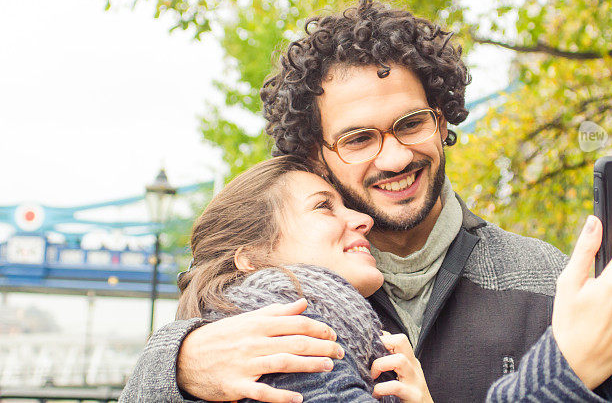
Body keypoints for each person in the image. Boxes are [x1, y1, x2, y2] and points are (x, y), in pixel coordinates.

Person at [124, 0, 612, 402]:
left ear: (441, 121)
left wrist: (574, 369)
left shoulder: (547, 278)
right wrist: (180, 366)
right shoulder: (272, 294)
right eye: (359, 138)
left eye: (410, 124)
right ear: (316, 154)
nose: (393, 158)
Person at [122, 155, 433, 402]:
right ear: (252, 258)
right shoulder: (283, 332)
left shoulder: (345, 326)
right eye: (323, 206)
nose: (364, 220)